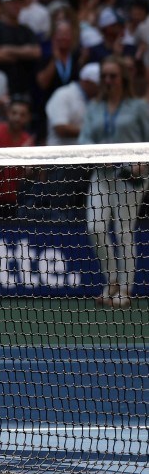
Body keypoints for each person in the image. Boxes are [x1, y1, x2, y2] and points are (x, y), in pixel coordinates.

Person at [79, 56, 149, 310]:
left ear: (123, 79)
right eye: (104, 76)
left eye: (113, 76)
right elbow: (83, 141)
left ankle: (125, 290)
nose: (108, 80)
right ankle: (111, 281)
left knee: (123, 231)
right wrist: (98, 153)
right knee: (95, 227)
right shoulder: (94, 108)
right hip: (101, 174)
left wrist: (143, 163)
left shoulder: (138, 107)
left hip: (131, 176)